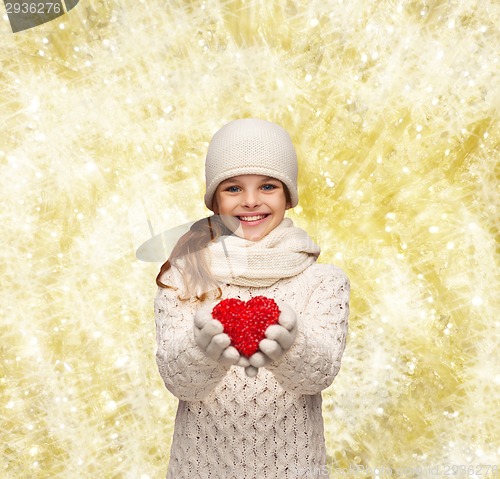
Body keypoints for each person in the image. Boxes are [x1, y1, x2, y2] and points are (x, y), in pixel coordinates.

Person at [154, 118, 350, 479]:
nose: (250, 201)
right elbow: (177, 381)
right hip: (200, 469)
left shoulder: (323, 281)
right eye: (232, 188)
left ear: (288, 196)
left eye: (267, 186)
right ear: (214, 198)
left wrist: (290, 345)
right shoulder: (184, 276)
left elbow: (319, 376)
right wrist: (203, 348)